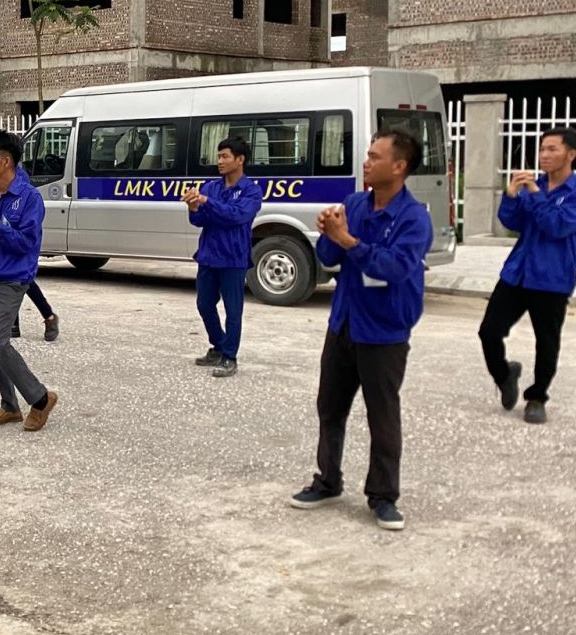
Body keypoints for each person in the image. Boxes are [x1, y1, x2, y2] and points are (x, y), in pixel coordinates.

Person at [289, 129, 433, 531]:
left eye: (374, 156)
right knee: (330, 408)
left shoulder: (413, 218)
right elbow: (329, 255)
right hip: (345, 323)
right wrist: (327, 233)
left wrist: (348, 241)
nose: (366, 162)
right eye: (367, 155)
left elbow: (395, 267)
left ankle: (384, 496)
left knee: (382, 416)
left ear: (399, 166)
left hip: (384, 330)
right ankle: (328, 481)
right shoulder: (355, 203)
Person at [478, 126, 576, 425]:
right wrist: (512, 194)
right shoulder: (536, 186)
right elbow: (511, 221)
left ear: (571, 154)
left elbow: (557, 226)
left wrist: (534, 193)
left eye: (552, 149)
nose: (544, 155)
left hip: (552, 278)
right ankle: (505, 375)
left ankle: (537, 397)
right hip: (518, 272)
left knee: (546, 341)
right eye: (542, 149)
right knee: (489, 331)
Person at [0, 129, 57, 432]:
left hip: (13, 277)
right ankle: (9, 406)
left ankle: (41, 399)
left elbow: (26, 245)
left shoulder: (29, 198)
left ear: (6, 162)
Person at [184, 136, 263, 378]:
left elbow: (237, 216)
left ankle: (230, 356)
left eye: (225, 156)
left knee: (233, 309)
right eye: (218, 156)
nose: (219, 161)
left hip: (233, 258)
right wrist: (194, 207)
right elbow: (200, 221)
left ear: (240, 160)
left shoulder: (252, 191)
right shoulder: (210, 187)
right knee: (204, 304)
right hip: (209, 255)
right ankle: (218, 346)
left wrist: (208, 203)